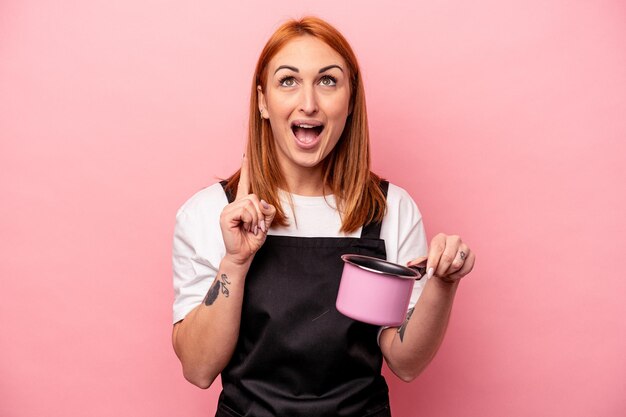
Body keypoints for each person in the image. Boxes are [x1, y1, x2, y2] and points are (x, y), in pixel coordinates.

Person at [171, 16, 475, 417]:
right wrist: (236, 261)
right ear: (263, 101)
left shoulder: (389, 210)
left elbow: (406, 361)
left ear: (350, 102)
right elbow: (198, 368)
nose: (309, 102)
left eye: (328, 81)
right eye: (288, 81)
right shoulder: (209, 211)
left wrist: (443, 284)